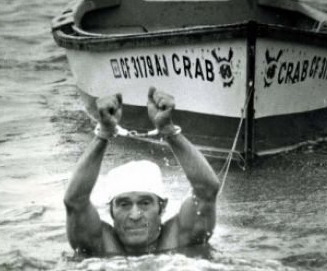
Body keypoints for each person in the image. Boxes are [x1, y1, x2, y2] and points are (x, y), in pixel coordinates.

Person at [64, 86, 220, 256]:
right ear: (111, 212)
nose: (135, 215)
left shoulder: (180, 238)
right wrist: (104, 133)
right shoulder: (100, 244)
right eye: (124, 204)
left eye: (145, 203)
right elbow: (74, 201)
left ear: (162, 207)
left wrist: (169, 131)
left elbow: (207, 190)